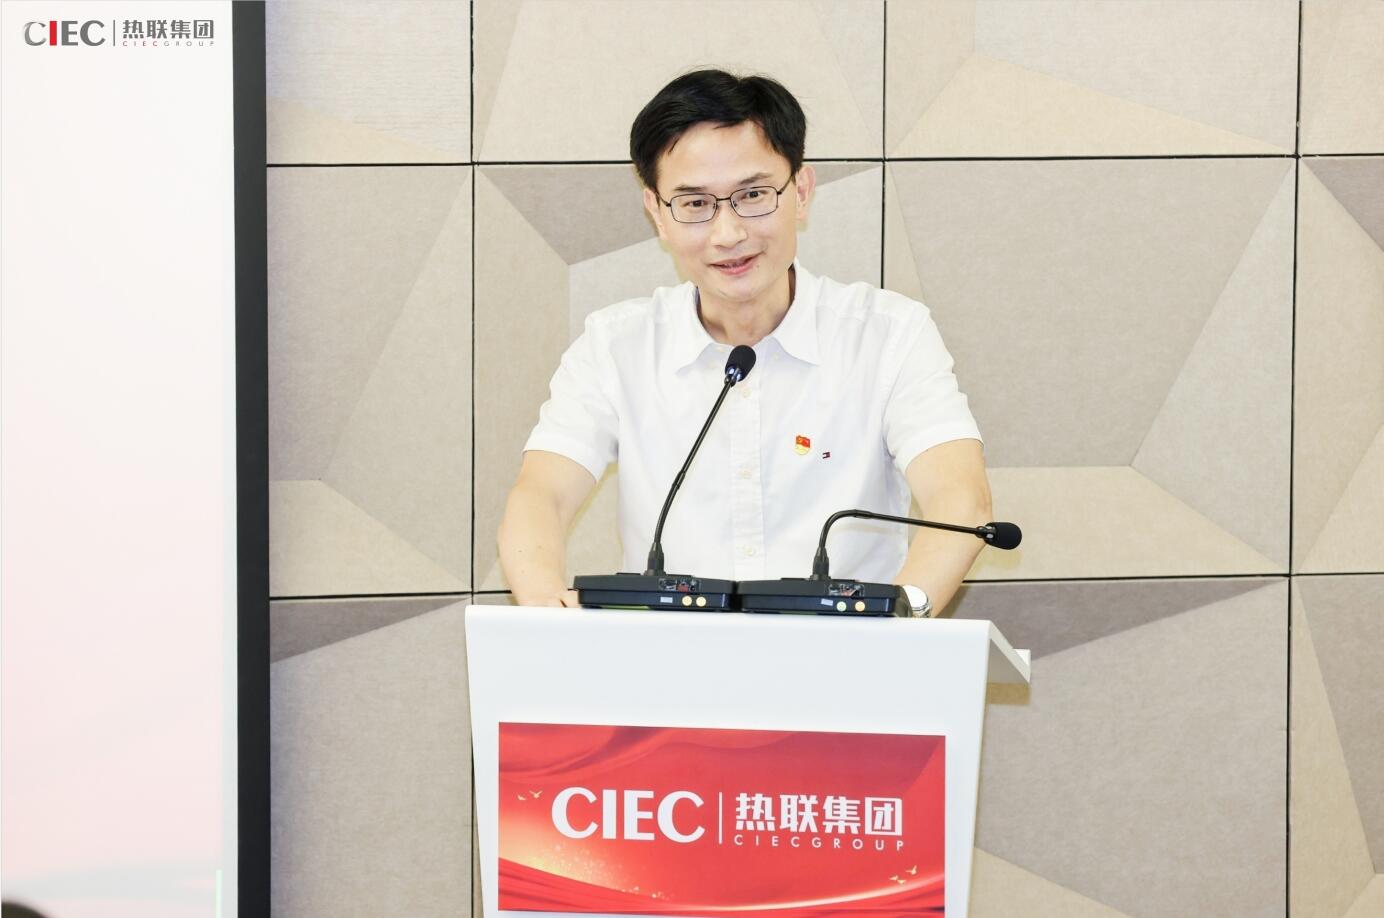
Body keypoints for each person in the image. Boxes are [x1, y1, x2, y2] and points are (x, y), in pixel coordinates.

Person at [498, 69, 991, 615]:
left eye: (753, 195)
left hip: (851, 658)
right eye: (694, 204)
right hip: (668, 664)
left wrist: (899, 623)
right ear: (657, 213)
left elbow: (959, 500)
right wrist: (544, 609)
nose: (728, 234)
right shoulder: (615, 347)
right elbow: (542, 494)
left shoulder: (889, 335)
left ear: (800, 192)